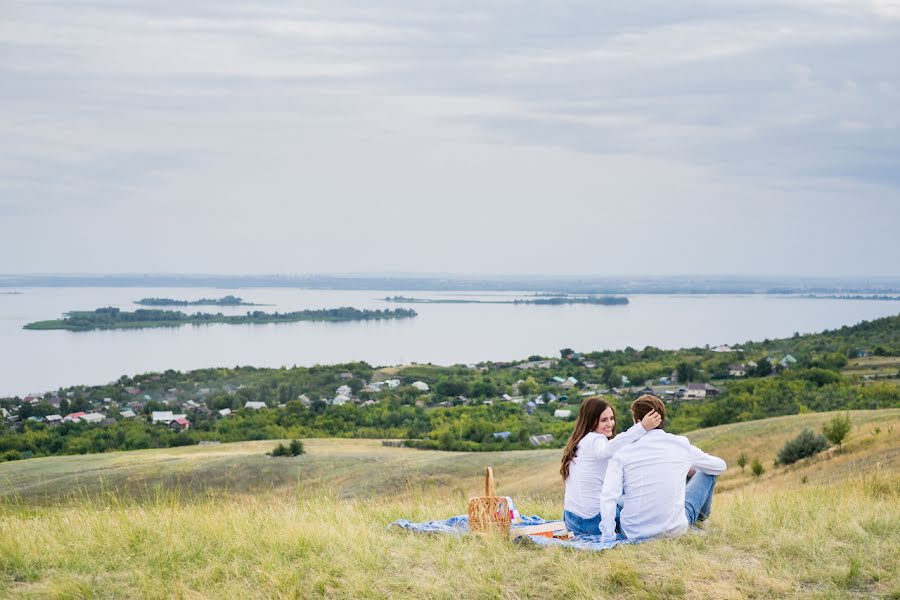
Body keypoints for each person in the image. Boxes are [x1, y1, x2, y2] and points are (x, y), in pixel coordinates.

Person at [599, 395, 726, 543]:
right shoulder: (680, 444)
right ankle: (701, 518)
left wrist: (608, 538)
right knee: (707, 472)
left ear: (637, 421)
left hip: (633, 532)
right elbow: (720, 466)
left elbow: (608, 497)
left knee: (621, 496)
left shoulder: (622, 451)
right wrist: (691, 466)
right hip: (674, 530)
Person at [561, 396, 662, 536]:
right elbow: (606, 450)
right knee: (636, 499)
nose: (610, 424)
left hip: (571, 520)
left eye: (611, 418)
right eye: (604, 420)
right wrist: (642, 427)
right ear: (591, 421)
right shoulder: (596, 439)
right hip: (593, 522)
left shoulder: (580, 442)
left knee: (618, 494)